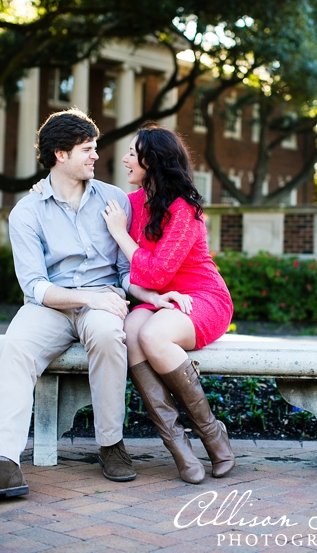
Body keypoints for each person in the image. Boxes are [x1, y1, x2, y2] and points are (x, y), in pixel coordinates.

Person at [0, 109, 136, 505]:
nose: (96, 156)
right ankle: (0, 464)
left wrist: (137, 296)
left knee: (107, 335)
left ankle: (111, 444)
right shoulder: (27, 212)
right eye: (87, 149)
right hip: (51, 305)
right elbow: (34, 286)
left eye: (95, 148)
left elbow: (125, 269)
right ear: (60, 155)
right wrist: (88, 298)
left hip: (103, 301)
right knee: (14, 347)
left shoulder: (115, 200)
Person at [100, 122, 235, 484]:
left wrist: (119, 234)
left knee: (153, 336)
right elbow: (86, 197)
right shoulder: (131, 204)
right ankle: (179, 448)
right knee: (130, 332)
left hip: (200, 297)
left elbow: (157, 272)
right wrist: (43, 185)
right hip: (159, 300)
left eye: (133, 153)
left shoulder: (184, 209)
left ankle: (213, 436)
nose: (125, 159)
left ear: (153, 160)